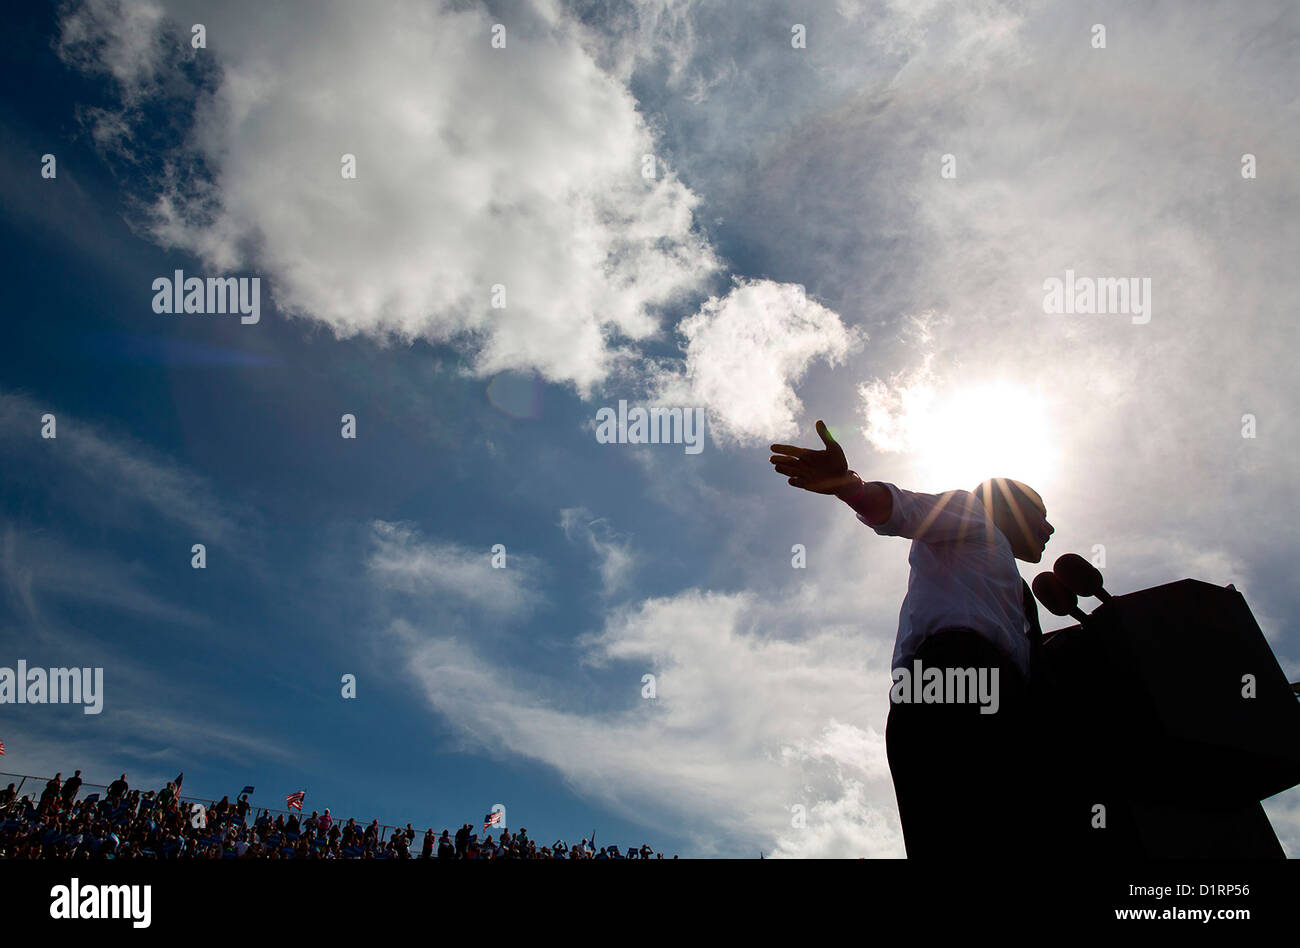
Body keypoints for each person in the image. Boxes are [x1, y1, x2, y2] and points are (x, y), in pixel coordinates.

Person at [770, 420, 1055, 859]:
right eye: (1041, 513)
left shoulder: (1008, 580)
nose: (1048, 528)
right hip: (961, 674)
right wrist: (850, 487)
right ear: (1010, 506)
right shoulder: (971, 515)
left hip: (948, 689)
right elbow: (902, 510)